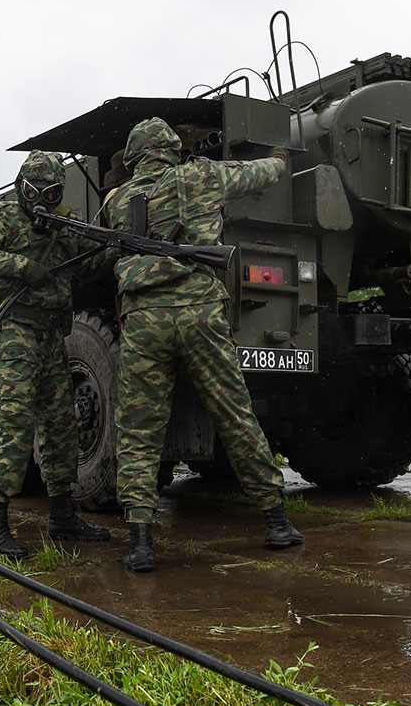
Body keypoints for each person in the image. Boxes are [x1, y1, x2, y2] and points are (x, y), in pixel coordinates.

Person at [104, 117, 304, 573]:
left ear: (134, 156)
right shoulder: (203, 175)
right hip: (200, 313)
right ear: (172, 150)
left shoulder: (116, 201)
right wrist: (277, 158)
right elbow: (258, 176)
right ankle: (275, 522)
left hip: (143, 321)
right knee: (234, 415)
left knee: (138, 429)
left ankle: (140, 542)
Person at [0, 150, 113, 559]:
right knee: (14, 423)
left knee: (62, 425)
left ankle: (61, 516)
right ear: (21, 190)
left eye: (52, 192)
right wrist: (22, 267)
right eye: (34, 192)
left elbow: (92, 262)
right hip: (16, 334)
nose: (43, 200)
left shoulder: (63, 226)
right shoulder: (5, 220)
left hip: (51, 336)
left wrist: (118, 243)